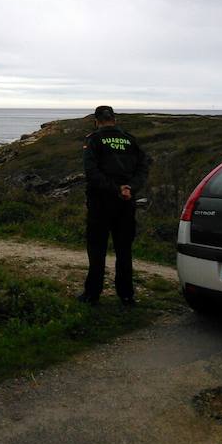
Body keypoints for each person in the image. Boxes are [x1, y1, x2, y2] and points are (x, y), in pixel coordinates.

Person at [78, 105, 149, 306]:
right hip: (126, 203)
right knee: (124, 250)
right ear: (114, 120)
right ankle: (126, 295)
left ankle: (92, 294)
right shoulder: (130, 139)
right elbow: (143, 168)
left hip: (100, 203)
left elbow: (91, 172)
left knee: (97, 249)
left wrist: (114, 189)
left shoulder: (94, 139)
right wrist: (129, 188)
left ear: (96, 121)